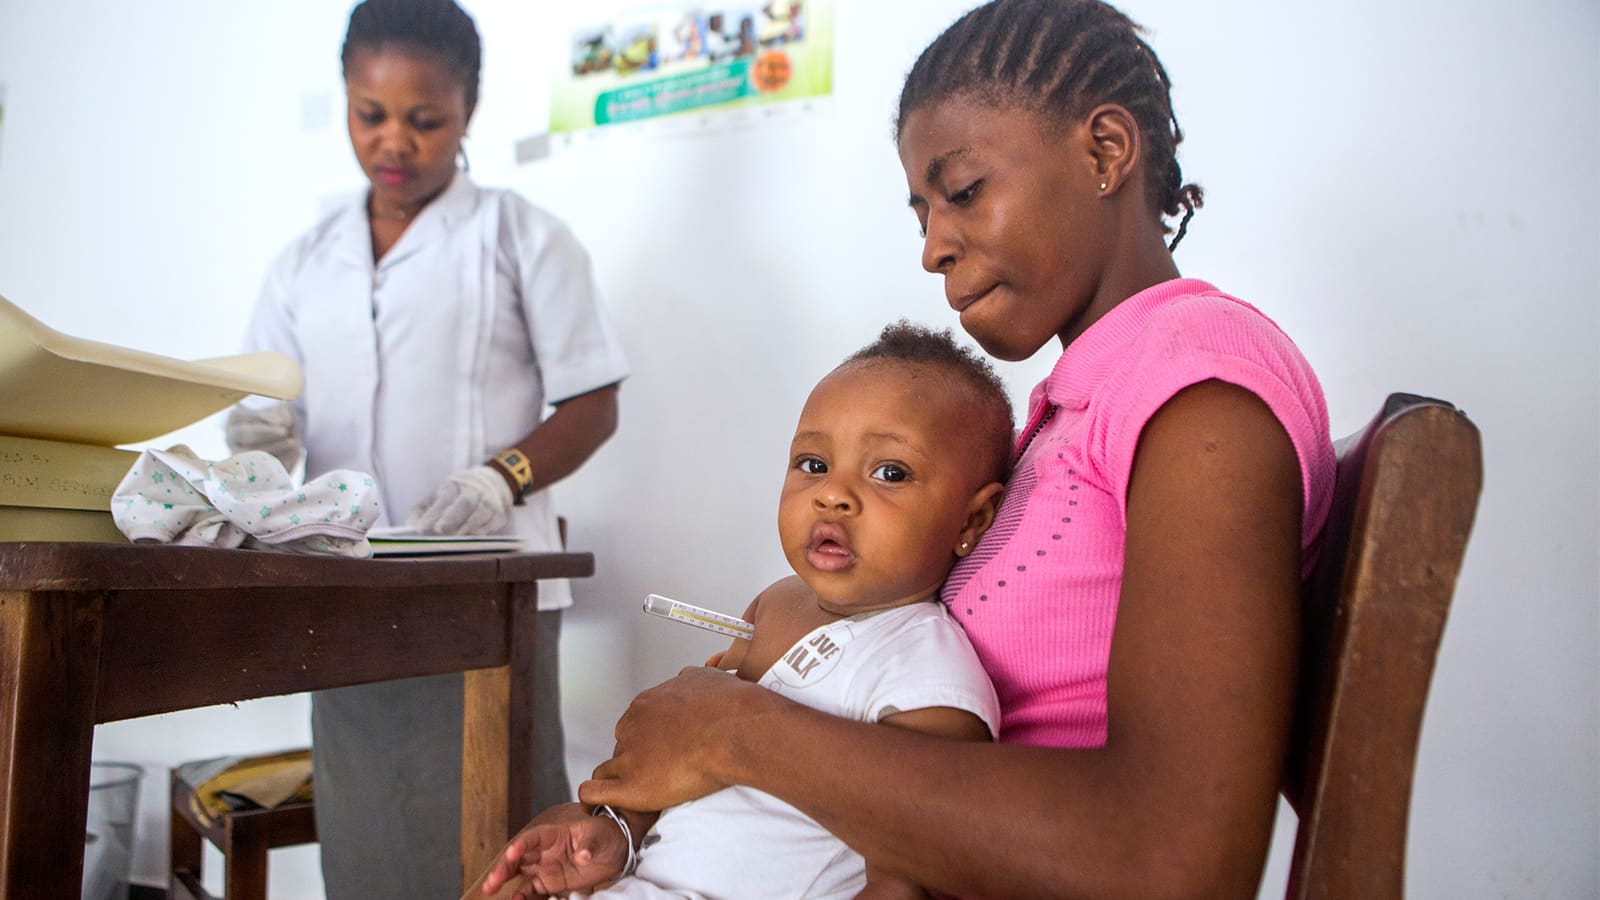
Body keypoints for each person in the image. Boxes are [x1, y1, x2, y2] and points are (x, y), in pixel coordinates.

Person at [524, 0, 1340, 897]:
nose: (932, 249)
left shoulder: (1200, 390)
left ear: (1105, 152)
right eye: (921, 213)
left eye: (962, 192)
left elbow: (1174, 860)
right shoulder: (1077, 409)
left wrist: (735, 731)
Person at [222, 1, 629, 896]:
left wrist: (501, 475)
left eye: (425, 117)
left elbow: (594, 400)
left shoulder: (522, 237)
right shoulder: (302, 262)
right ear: (345, 102)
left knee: (502, 840)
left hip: (493, 592)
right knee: (370, 831)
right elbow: (267, 409)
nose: (393, 140)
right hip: (345, 589)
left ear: (469, 110)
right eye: (370, 114)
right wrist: (256, 441)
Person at [479, 322, 1013, 899]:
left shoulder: (927, 672)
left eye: (890, 472)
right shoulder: (775, 605)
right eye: (812, 464)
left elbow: (915, 875)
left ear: (972, 521)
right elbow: (682, 767)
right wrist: (613, 835)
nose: (832, 494)